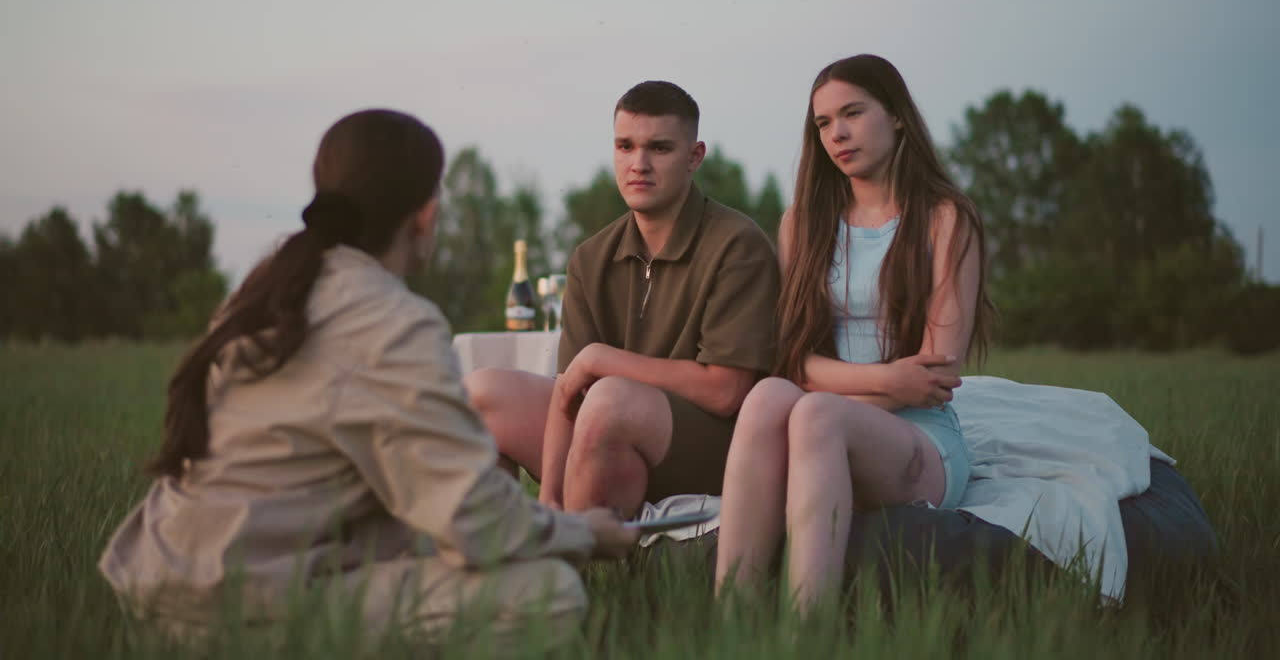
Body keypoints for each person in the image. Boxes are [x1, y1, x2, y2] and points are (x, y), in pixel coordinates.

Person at [98, 109, 637, 654]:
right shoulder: (393, 321)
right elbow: (475, 519)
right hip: (236, 609)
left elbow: (427, 502)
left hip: (160, 585)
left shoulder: (268, 293)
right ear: (425, 216)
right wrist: (583, 533)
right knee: (547, 592)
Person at [713, 55, 995, 608]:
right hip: (825, 420)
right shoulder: (803, 223)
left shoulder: (945, 219)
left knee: (812, 411)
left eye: (852, 113)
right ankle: (733, 616)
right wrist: (888, 376)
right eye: (822, 123)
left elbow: (935, 376)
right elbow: (791, 360)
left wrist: (828, 388)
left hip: (919, 440)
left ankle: (805, 631)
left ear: (897, 118)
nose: (836, 133)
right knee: (772, 394)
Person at [465, 81, 780, 519]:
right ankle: (506, 561)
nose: (639, 164)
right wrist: (550, 496)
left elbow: (726, 391)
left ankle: (586, 565)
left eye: (660, 148)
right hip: (610, 428)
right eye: (625, 146)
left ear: (694, 156)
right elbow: (568, 392)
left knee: (610, 398)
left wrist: (603, 362)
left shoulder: (738, 244)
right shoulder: (592, 257)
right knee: (482, 393)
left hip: (715, 448)